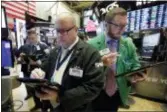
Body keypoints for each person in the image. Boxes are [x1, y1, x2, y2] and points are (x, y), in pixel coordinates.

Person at [30, 13, 104, 112]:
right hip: (51, 106)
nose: (60, 35)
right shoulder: (54, 51)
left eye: (65, 31)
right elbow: (45, 69)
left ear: (76, 30)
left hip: (75, 108)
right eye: (57, 31)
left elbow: (93, 87)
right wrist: (37, 74)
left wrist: (60, 97)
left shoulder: (90, 53)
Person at [88, 7, 145, 111]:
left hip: (117, 93)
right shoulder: (91, 45)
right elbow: (86, 70)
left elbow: (135, 65)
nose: (122, 29)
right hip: (96, 94)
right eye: (118, 25)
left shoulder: (128, 44)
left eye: (124, 25)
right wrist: (101, 64)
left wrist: (135, 75)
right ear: (106, 24)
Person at [18, 28, 48, 111]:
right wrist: (21, 58)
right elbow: (18, 59)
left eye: (33, 38)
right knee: (32, 89)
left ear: (37, 36)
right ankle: (37, 104)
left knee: (42, 90)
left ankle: (44, 107)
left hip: (39, 73)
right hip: (27, 71)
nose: (31, 40)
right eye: (30, 39)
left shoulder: (44, 46)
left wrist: (39, 62)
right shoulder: (24, 47)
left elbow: (48, 58)